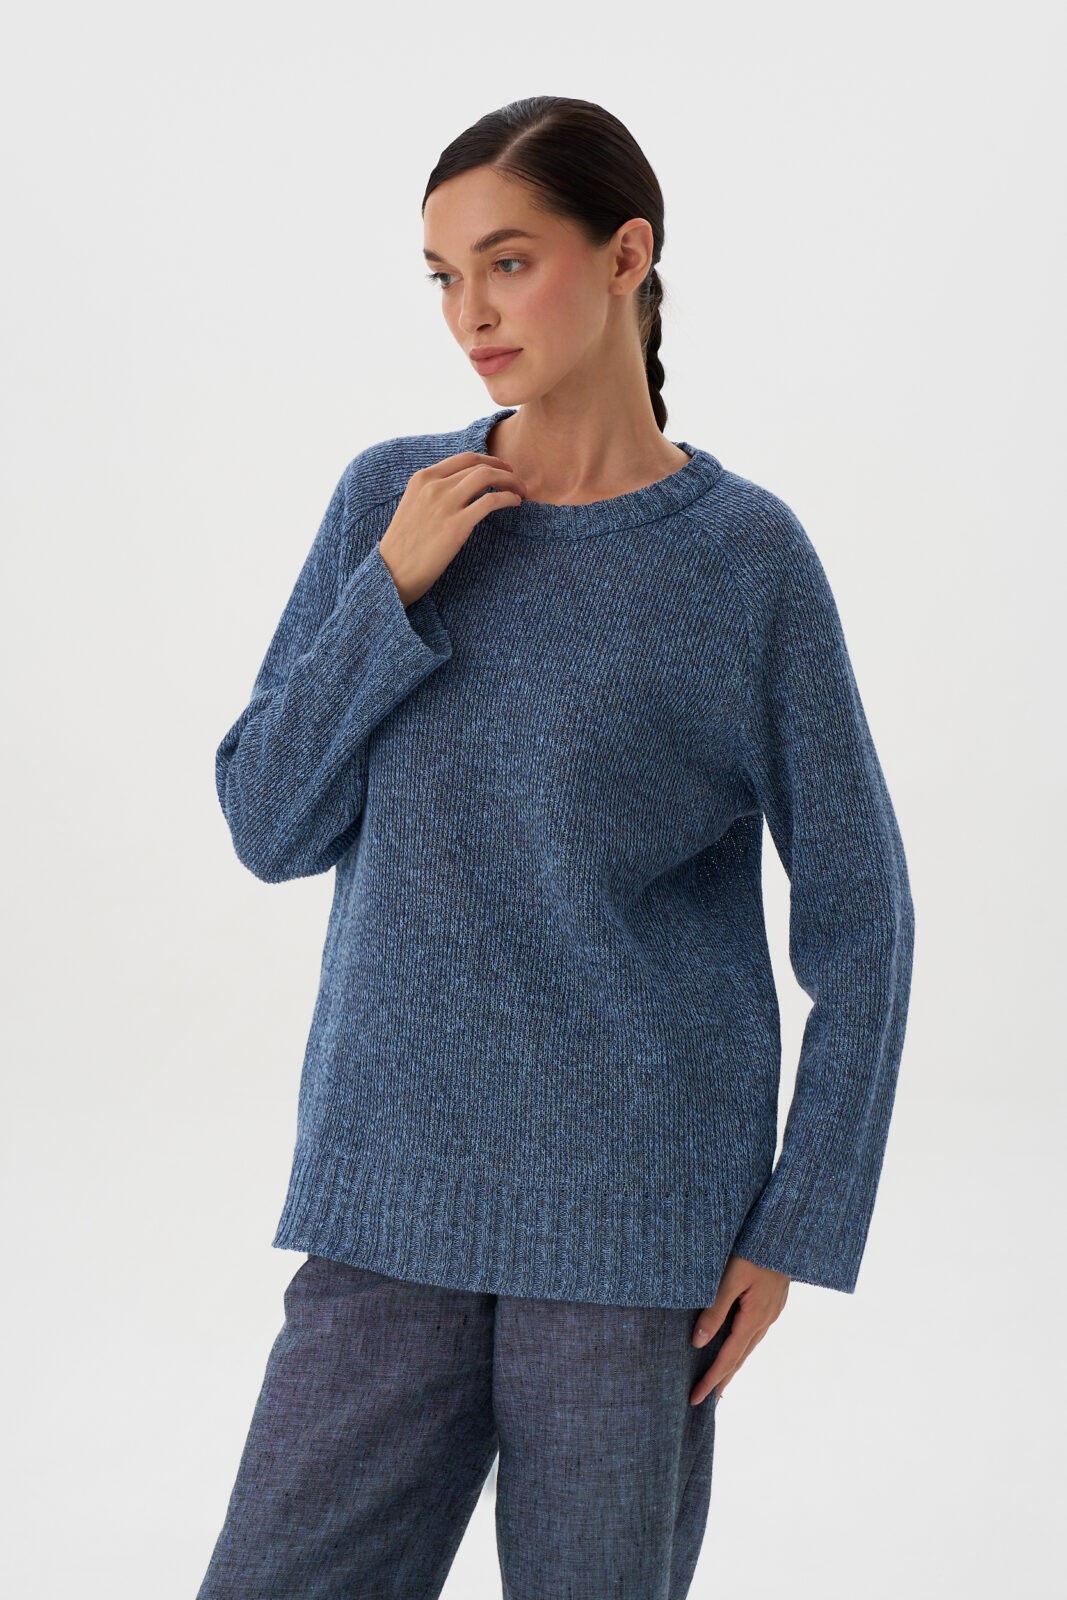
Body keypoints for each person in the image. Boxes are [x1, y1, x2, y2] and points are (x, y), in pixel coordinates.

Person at [195, 95, 916, 1600]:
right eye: (443, 275)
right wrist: (389, 594)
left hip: (635, 1224)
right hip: (389, 1192)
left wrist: (798, 1224)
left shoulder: (745, 560)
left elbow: (864, 917)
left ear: (627, 256)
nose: (470, 312)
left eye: (509, 262)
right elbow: (268, 822)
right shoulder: (392, 503)